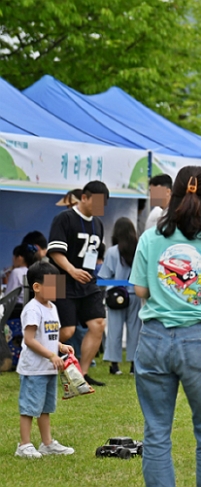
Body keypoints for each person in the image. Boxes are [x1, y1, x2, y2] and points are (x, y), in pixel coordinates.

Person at [129, 166, 201, 487]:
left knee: (156, 431)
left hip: (153, 339)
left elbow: (140, 290)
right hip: (199, 340)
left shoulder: (151, 238)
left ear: (173, 194)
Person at [47, 180, 109, 387]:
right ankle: (42, 364)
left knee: (98, 323)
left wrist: (86, 272)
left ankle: (81, 374)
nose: (100, 208)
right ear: (84, 197)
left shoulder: (98, 224)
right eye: (97, 203)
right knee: (66, 331)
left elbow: (95, 255)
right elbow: (54, 252)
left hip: (86, 280)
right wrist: (72, 270)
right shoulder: (63, 219)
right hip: (58, 278)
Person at [15, 261, 75, 458]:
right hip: (34, 369)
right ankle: (24, 445)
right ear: (37, 287)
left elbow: (48, 336)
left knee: (45, 408)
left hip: (48, 368)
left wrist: (60, 346)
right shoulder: (33, 309)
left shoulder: (52, 308)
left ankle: (47, 443)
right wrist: (51, 355)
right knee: (29, 408)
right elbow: (30, 339)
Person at [99, 217, 142, 376]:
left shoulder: (112, 252)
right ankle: (133, 365)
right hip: (135, 294)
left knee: (114, 330)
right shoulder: (138, 249)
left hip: (115, 295)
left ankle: (114, 365)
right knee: (135, 330)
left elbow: (105, 274)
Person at [6, 244, 39, 312]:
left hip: (15, 311)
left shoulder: (16, 272)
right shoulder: (34, 272)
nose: (13, 259)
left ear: (20, 258)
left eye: (14, 256)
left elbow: (8, 298)